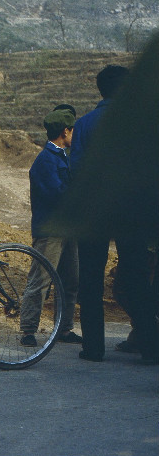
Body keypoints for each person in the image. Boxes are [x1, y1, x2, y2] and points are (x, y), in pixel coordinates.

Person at [67, 64, 157, 363]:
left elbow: (76, 170)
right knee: (136, 276)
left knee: (90, 279)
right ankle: (150, 347)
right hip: (132, 212)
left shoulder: (85, 124)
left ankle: (93, 349)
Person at [19, 109, 81, 347]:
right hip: (50, 231)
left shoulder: (61, 156)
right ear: (65, 131)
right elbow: (58, 195)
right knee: (41, 280)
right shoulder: (46, 160)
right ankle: (28, 329)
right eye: (72, 130)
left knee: (69, 281)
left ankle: (64, 328)